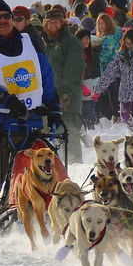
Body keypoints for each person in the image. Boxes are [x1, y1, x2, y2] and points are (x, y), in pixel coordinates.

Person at [0, 0, 60, 217]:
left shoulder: (29, 43)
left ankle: (41, 208)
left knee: (36, 172)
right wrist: (9, 102)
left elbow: (45, 77)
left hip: (30, 122)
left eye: (6, 16)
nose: (2, 21)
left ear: (12, 19)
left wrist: (55, 108)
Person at [92, 29, 133, 134]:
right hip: (125, 92)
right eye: (126, 43)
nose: (129, 46)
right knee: (124, 115)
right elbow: (109, 74)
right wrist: (98, 90)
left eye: (131, 43)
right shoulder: (120, 57)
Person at [42, 9, 84, 164]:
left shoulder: (70, 41)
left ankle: (75, 165)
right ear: (45, 25)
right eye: (50, 22)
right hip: (52, 96)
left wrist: (65, 93)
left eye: (56, 22)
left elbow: (75, 68)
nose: (53, 25)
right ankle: (61, 165)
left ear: (62, 23)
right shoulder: (50, 44)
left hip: (68, 96)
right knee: (56, 133)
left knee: (69, 131)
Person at [95, 13, 122, 122]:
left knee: (118, 91)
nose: (101, 25)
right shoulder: (99, 38)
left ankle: (122, 113)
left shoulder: (116, 33)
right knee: (111, 93)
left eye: (103, 22)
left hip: (117, 67)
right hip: (105, 70)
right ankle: (116, 114)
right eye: (99, 23)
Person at [75, 28, 100, 131]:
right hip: (80, 84)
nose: (87, 40)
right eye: (84, 38)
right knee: (84, 110)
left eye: (88, 38)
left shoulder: (86, 52)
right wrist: (83, 85)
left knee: (89, 109)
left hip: (87, 83)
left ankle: (90, 130)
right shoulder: (76, 53)